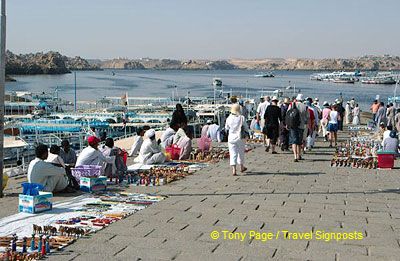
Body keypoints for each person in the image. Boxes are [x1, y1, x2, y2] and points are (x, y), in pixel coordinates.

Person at [225, 104, 250, 176]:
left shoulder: (228, 118)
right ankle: (241, 167)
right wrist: (248, 134)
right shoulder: (242, 117)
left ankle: (234, 170)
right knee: (241, 152)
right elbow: (246, 127)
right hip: (240, 137)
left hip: (231, 138)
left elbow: (226, 128)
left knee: (233, 153)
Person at [287, 94, 309, 162]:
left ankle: (295, 156)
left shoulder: (292, 105)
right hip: (301, 125)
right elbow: (307, 117)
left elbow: (288, 114)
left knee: (294, 141)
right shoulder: (305, 106)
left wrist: (287, 124)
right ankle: (299, 155)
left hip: (293, 125)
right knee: (299, 141)